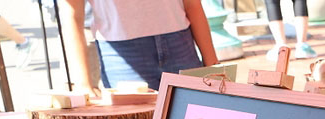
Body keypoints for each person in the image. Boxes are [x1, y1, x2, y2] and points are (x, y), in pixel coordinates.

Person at [58, 0, 217, 93]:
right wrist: (84, 85)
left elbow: (192, 5)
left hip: (180, 44)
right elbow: (71, 16)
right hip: (121, 54)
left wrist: (213, 66)